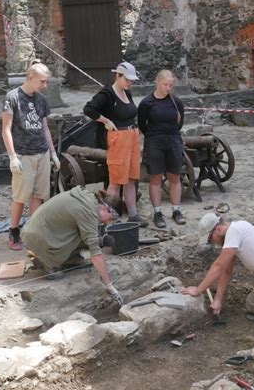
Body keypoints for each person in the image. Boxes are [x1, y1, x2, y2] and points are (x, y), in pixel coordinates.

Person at [21, 185, 124, 305]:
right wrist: (109, 285)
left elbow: (88, 235)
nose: (108, 222)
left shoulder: (89, 199)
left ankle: (68, 258)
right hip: (37, 238)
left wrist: (100, 240)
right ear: (105, 209)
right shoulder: (88, 212)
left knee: (84, 233)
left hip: (37, 230)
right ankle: (45, 260)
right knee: (58, 274)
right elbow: (95, 253)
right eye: (110, 219)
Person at [2, 60, 60, 251]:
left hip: (41, 153)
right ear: (30, 77)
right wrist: (12, 156)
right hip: (23, 154)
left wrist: (52, 153)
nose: (45, 86)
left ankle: (32, 232)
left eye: (46, 82)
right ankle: (14, 231)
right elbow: (6, 129)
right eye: (42, 81)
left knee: (39, 195)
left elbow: (44, 128)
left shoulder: (41, 100)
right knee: (21, 195)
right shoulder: (13, 97)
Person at [83, 61, 148, 227]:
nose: (130, 82)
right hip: (118, 137)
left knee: (131, 178)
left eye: (131, 80)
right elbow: (89, 109)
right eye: (127, 79)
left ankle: (133, 214)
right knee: (116, 180)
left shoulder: (128, 92)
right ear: (117, 76)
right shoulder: (107, 94)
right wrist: (105, 121)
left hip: (132, 136)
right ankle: (111, 218)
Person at [138, 70, 186, 228]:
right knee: (156, 177)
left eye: (171, 85)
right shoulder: (146, 103)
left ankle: (176, 210)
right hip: (154, 141)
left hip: (173, 140)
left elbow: (179, 123)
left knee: (174, 176)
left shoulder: (176, 102)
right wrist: (155, 135)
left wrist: (170, 135)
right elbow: (142, 124)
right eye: (165, 84)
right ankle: (157, 212)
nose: (168, 88)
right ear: (157, 82)